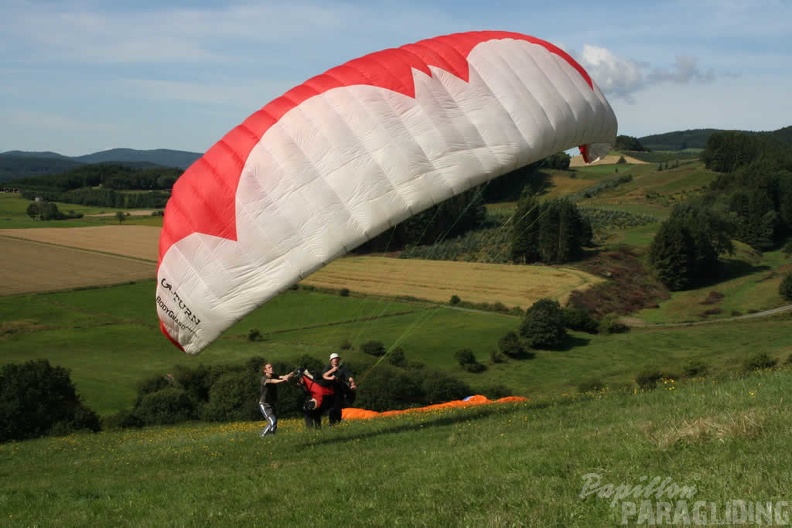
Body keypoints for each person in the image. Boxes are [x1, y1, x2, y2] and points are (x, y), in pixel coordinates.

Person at [322, 352, 356, 425]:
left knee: (338, 407)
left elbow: (349, 377)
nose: (335, 360)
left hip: (339, 390)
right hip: (330, 390)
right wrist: (332, 372)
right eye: (334, 359)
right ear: (331, 360)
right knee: (332, 407)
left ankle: (338, 423)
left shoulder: (342, 368)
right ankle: (332, 423)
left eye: (336, 359)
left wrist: (352, 384)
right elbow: (324, 375)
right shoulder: (328, 367)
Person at [258, 363, 293, 436]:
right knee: (272, 421)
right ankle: (262, 436)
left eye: (271, 367)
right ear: (265, 370)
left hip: (272, 403)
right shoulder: (264, 379)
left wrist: (290, 374)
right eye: (269, 367)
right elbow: (271, 381)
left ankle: (270, 436)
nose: (271, 368)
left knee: (274, 422)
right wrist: (282, 380)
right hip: (265, 404)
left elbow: (282, 376)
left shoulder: (274, 375)